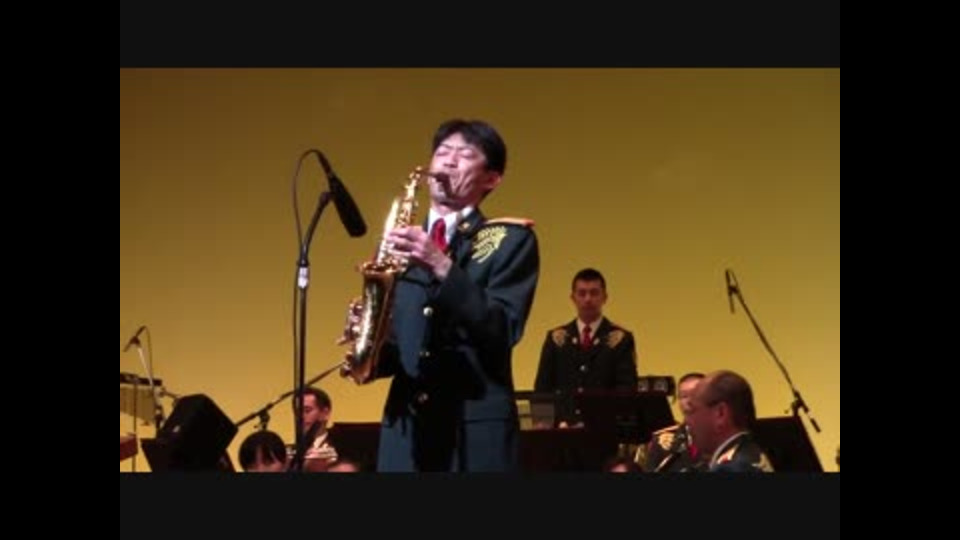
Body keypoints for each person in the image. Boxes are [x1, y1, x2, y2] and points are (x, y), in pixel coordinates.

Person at [352, 118, 540, 472]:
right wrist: (369, 339)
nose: (448, 161)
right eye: (442, 152)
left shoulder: (509, 240)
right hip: (406, 433)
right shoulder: (398, 244)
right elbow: (402, 353)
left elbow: (503, 329)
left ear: (492, 179)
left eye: (465, 155)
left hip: (471, 433)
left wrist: (441, 264)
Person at [533, 268, 638, 428]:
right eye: (582, 293)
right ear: (573, 298)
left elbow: (625, 389)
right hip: (562, 428)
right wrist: (543, 424)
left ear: (605, 297)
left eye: (594, 293)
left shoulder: (620, 339)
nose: (588, 299)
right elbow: (543, 388)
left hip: (601, 428)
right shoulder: (556, 338)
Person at [684, 370, 774, 472]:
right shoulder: (751, 453)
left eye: (692, 411)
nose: (687, 421)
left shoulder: (731, 468)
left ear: (720, 413)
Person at [638, 372, 710, 472]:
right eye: (684, 396)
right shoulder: (662, 440)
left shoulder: (723, 436)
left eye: (695, 394)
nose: (689, 401)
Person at [288, 386, 338, 472]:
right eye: (297, 412)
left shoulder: (339, 449)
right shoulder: (291, 454)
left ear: (325, 413)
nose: (301, 417)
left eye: (307, 411)